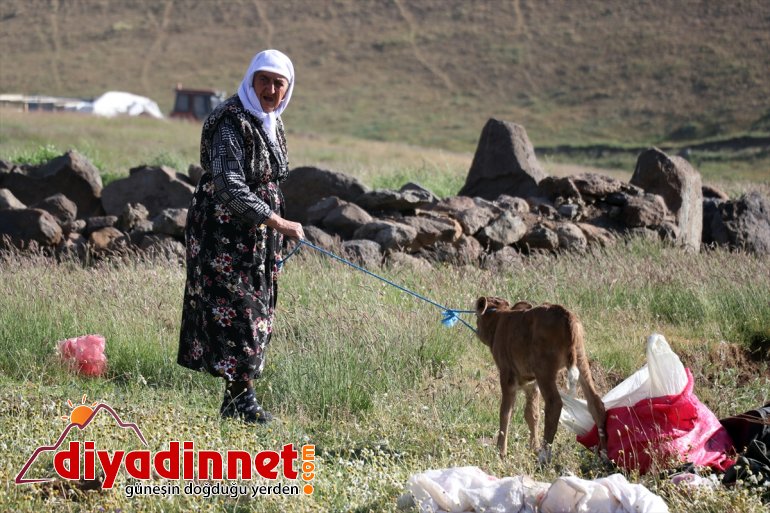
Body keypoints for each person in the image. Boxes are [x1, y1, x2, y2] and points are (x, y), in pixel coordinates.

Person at [177, 49, 304, 425]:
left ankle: (238, 400)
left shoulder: (271, 121)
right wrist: (277, 221)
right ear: (250, 81)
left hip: (256, 236)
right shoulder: (229, 121)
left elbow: (271, 176)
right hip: (223, 235)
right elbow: (229, 183)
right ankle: (240, 401)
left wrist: (271, 225)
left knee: (257, 310)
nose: (269, 88)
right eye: (262, 80)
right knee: (241, 313)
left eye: (277, 83)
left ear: (287, 88)